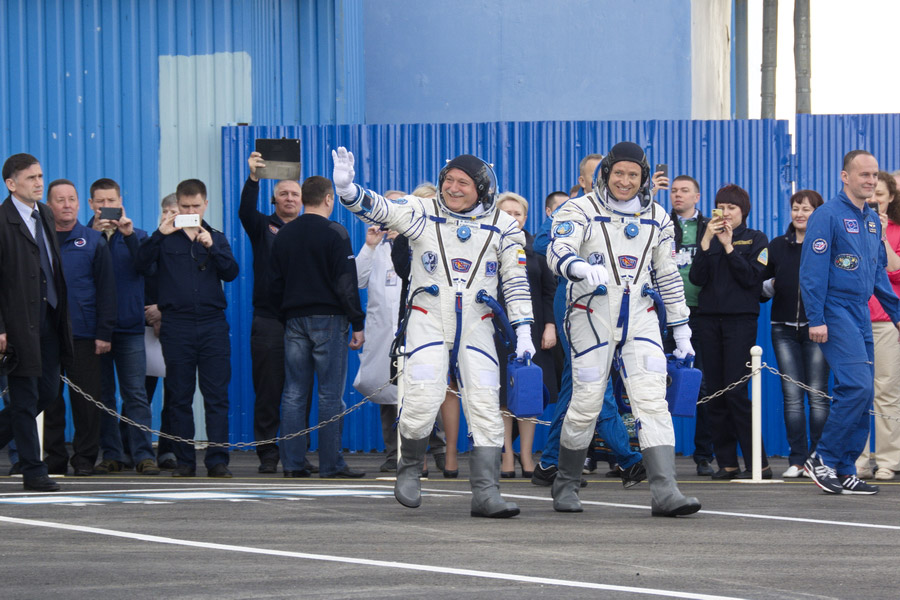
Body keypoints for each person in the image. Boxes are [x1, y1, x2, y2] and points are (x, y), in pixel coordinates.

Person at [333, 147, 533, 518]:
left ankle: (486, 493)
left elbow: (516, 279)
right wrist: (348, 191)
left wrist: (523, 329)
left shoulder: (503, 224)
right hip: (428, 319)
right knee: (423, 398)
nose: (453, 188)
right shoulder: (422, 212)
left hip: (478, 323)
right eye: (448, 180)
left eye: (463, 183)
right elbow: (382, 209)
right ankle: (409, 469)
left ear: (483, 189)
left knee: (486, 405)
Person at [547, 141, 699, 516]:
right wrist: (579, 267)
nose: (625, 181)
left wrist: (681, 331)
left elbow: (667, 273)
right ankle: (565, 483)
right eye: (619, 173)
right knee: (585, 403)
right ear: (606, 174)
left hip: (642, 316)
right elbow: (557, 249)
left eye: (633, 174)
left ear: (644, 177)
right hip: (589, 313)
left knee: (651, 400)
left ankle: (665, 491)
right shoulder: (579, 209)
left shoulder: (659, 217)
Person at [532, 154, 645, 489]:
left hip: (614, 308)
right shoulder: (574, 209)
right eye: (599, 174)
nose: (614, 179)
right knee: (596, 383)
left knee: (574, 389)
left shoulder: (629, 212)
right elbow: (543, 242)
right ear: (583, 181)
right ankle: (629, 461)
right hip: (577, 309)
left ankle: (550, 463)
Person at [800, 150, 900, 496]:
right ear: (845, 177)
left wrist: (897, 315)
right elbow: (811, 272)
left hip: (861, 312)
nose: (871, 181)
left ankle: (844, 469)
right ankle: (823, 458)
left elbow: (877, 276)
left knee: (863, 392)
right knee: (856, 386)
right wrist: (816, 317)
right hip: (834, 310)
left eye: (874, 175)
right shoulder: (827, 215)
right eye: (864, 175)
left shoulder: (872, 220)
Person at [135, 179, 239, 477]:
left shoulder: (215, 236)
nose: (190, 211)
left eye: (195, 206)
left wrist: (210, 246)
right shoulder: (164, 238)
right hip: (176, 325)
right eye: (185, 207)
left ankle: (218, 460)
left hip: (212, 325)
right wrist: (159, 234)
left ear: (205, 204)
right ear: (176, 206)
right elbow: (139, 265)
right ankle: (184, 461)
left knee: (216, 396)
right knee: (179, 396)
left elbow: (231, 273)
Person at [270, 175, 366, 479]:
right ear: (328, 199)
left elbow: (273, 283)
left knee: (294, 393)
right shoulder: (336, 233)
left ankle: (293, 464)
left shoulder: (284, 234)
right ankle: (331, 464)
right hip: (329, 320)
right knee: (329, 394)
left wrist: (285, 315)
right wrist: (357, 322)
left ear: (303, 198)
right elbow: (345, 284)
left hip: (294, 320)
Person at [0, 153, 74, 491]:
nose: (39, 183)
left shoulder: (44, 213)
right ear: (11, 184)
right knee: (26, 396)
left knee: (47, 392)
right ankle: (33, 471)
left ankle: (27, 459)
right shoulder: (2, 221)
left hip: (49, 318)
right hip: (18, 323)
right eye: (31, 178)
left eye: (40, 176)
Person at [689, 184, 770, 480]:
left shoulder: (756, 239)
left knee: (736, 392)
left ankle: (758, 463)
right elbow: (697, 278)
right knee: (715, 394)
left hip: (740, 322)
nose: (725, 213)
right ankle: (727, 463)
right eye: (720, 207)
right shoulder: (706, 237)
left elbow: (752, 278)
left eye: (731, 208)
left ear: (743, 211)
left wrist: (728, 246)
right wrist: (708, 241)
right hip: (708, 321)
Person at [42, 179, 116, 476]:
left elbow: (106, 290)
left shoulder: (93, 240)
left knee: (87, 401)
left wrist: (104, 333)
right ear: (49, 205)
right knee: (49, 399)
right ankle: (55, 458)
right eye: (60, 200)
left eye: (71, 198)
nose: (67, 205)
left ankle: (84, 459)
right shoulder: (38, 240)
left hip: (85, 334)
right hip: (47, 335)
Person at [87, 179, 160, 475]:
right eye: (100, 201)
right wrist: (93, 236)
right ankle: (112, 454)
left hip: (130, 328)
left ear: (121, 202)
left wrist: (128, 235)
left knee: (136, 394)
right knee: (103, 396)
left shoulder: (138, 236)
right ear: (92, 205)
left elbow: (148, 268)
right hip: (96, 331)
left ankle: (143, 454)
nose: (106, 206)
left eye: (111, 200)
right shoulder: (83, 237)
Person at [239, 152, 303, 473]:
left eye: (295, 194)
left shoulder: (310, 229)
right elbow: (244, 211)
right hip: (268, 321)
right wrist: (253, 178)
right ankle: (267, 453)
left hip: (303, 322)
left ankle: (297, 455)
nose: (289, 198)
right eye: (283, 194)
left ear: (303, 201)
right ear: (274, 199)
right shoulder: (263, 226)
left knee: (300, 391)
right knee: (268, 389)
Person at [762, 190, 830, 479]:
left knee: (817, 397)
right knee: (792, 397)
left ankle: (819, 457)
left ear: (818, 213)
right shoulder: (777, 246)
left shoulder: (826, 245)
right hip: (783, 329)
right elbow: (760, 287)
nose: (800, 214)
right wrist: (771, 284)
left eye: (806, 209)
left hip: (818, 330)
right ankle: (798, 459)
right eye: (795, 209)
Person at [389, 183, 453, 477]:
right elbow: (404, 270)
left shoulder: (454, 233)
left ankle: (442, 451)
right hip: (418, 320)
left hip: (453, 321)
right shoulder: (406, 237)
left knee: (446, 390)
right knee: (417, 388)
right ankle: (416, 460)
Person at [495, 191, 557, 478]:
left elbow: (549, 292)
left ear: (526, 217)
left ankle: (527, 455)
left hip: (533, 331)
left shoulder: (538, 250)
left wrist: (550, 326)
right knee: (504, 397)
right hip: (497, 329)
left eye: (517, 213)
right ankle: (507, 454)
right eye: (506, 213)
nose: (512, 218)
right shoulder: (487, 247)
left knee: (529, 393)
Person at [665, 175, 715, 476]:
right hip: (663, 315)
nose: (677, 195)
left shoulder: (709, 227)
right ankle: (657, 452)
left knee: (704, 385)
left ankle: (704, 455)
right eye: (673, 191)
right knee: (656, 385)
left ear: (697, 196)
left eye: (684, 191)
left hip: (700, 313)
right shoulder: (660, 224)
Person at [856, 171, 900, 480]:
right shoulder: (850, 227)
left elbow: (895, 271)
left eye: (880, 196)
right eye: (871, 197)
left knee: (885, 390)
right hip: (854, 319)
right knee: (856, 391)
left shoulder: (895, 231)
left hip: (885, 321)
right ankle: (857, 459)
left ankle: (887, 460)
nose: (874, 202)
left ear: (891, 198)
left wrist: (882, 236)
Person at [144, 193, 179, 470]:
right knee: (139, 394)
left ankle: (168, 450)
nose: (170, 217)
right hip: (146, 333)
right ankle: (136, 449)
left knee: (175, 395)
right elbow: (139, 274)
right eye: (166, 212)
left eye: (175, 212)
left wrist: (165, 313)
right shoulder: (150, 242)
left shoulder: (195, 244)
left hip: (178, 329)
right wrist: (151, 313)